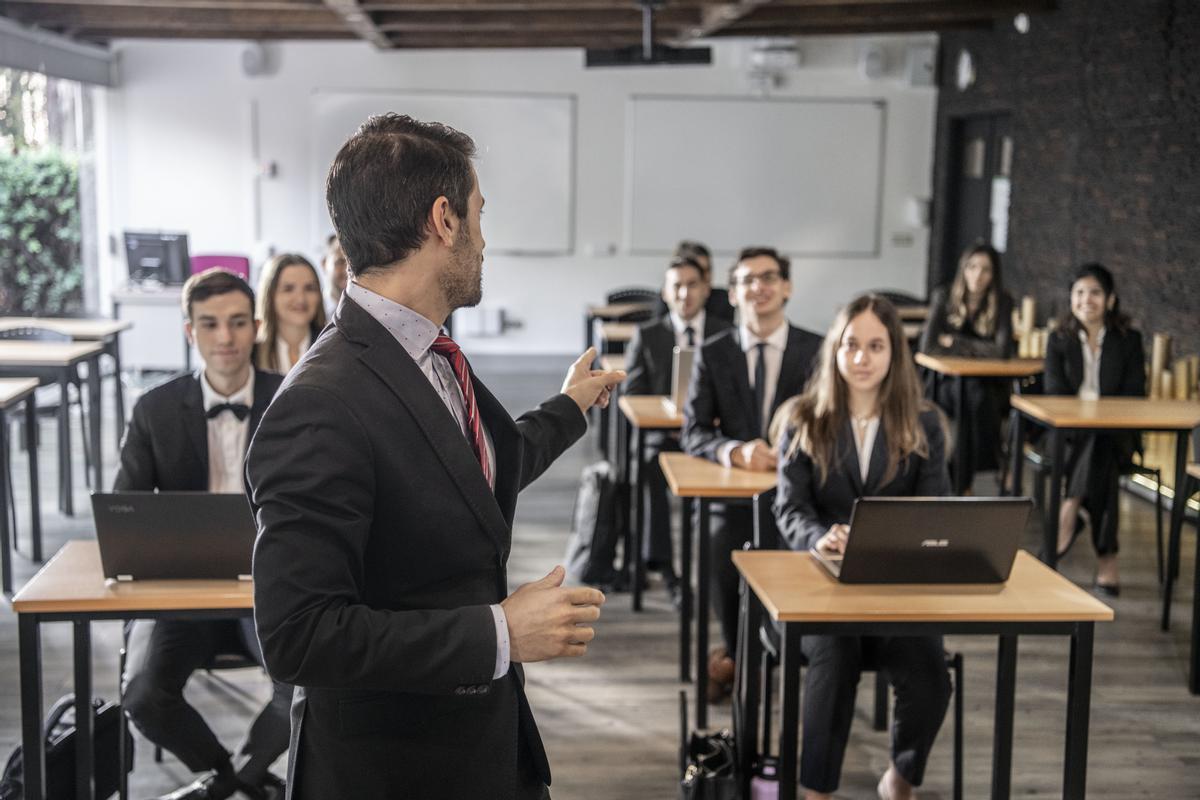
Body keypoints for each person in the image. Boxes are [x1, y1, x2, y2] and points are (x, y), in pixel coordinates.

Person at [245, 113, 623, 800]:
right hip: (393, 767)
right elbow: (299, 637)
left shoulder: (427, 351)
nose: (484, 237)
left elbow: (477, 470)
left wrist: (570, 405)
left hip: (478, 744)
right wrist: (499, 631)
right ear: (444, 220)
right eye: (479, 215)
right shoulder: (319, 403)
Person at [115, 268, 289, 800]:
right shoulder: (155, 409)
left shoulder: (294, 400)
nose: (226, 338)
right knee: (142, 694)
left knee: (313, 684)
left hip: (270, 589)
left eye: (238, 323)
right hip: (179, 590)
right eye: (210, 324)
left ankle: (238, 776)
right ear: (190, 331)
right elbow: (126, 512)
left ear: (257, 327)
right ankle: (229, 775)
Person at [773, 293, 952, 800]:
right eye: (851, 345)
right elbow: (789, 509)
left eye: (875, 346)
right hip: (818, 589)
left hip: (898, 590)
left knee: (930, 675)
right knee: (834, 660)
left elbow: (934, 509)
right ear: (835, 349)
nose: (862, 358)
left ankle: (901, 776)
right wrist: (818, 537)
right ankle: (816, 791)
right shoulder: (805, 418)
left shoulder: (925, 423)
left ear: (894, 353)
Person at [680, 246, 822, 701]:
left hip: (800, 491)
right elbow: (694, 431)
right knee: (718, 536)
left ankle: (775, 653)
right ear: (734, 294)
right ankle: (743, 656)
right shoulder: (714, 351)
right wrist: (735, 451)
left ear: (786, 287)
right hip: (736, 493)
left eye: (768, 277)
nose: (757, 287)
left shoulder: (817, 350)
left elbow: (828, 423)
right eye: (746, 280)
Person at [623, 255, 733, 595]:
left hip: (711, 438)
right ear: (666, 293)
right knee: (647, 466)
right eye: (677, 286)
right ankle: (666, 568)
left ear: (705, 290)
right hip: (662, 436)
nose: (685, 293)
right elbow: (631, 394)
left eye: (692, 285)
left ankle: (716, 570)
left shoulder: (725, 334)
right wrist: (667, 421)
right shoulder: (648, 334)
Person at [1045, 262, 1145, 595]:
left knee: (1102, 443)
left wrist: (1099, 415)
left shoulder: (1128, 340)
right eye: (1080, 292)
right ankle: (1107, 562)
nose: (1087, 300)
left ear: (1110, 299)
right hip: (1069, 436)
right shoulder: (1058, 339)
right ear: (1071, 299)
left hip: (1116, 434)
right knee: (1101, 460)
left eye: (1096, 293)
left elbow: (1134, 393)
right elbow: (1056, 393)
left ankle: (1070, 507)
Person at [919, 243, 1015, 491]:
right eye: (972, 267)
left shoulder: (1002, 302)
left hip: (988, 384)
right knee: (972, 399)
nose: (978, 275)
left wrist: (956, 343)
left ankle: (961, 481)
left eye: (985, 269)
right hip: (945, 383)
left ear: (994, 275)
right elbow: (928, 346)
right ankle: (989, 469)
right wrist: (981, 348)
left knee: (976, 398)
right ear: (963, 269)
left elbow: (1002, 351)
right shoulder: (944, 296)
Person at [254, 253, 327, 374]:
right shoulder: (252, 353)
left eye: (309, 288)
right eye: (288, 289)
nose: (300, 299)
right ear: (270, 295)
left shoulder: (333, 349)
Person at [653, 240, 735, 323]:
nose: (704, 276)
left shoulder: (722, 300)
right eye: (697, 269)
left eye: (707, 270)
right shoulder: (668, 299)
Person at [320, 233, 349, 316]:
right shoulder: (311, 310)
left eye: (352, 263)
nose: (348, 270)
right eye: (340, 262)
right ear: (324, 264)